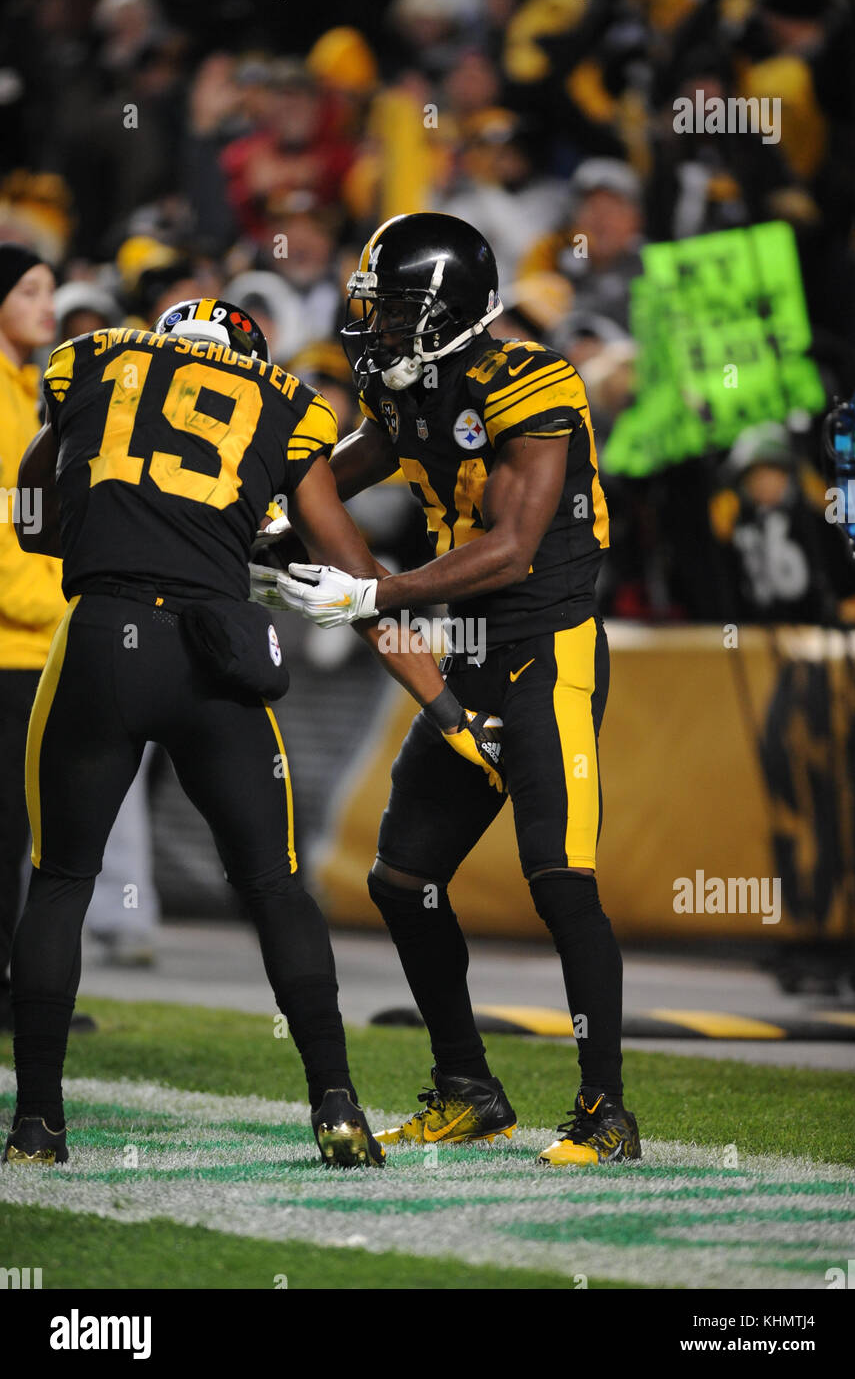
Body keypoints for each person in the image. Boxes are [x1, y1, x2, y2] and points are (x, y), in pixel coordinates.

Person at [4, 295, 502, 1169]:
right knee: (274, 887)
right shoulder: (286, 400)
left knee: (60, 882)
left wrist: (123, 519)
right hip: (216, 651)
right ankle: (337, 1109)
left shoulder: (95, 359)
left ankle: (37, 1125)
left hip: (102, 638)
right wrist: (444, 706)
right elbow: (354, 570)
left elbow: (33, 520)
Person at [260, 212, 641, 1166]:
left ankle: (606, 1110)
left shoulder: (532, 380)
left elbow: (511, 550)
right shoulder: (406, 387)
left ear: (453, 312)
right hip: (468, 654)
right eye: (373, 307)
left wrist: (370, 592)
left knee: (559, 881)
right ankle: (468, 1086)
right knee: (403, 877)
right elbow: (332, 475)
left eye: (395, 309)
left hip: (545, 648)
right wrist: (264, 517)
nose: (376, 326)